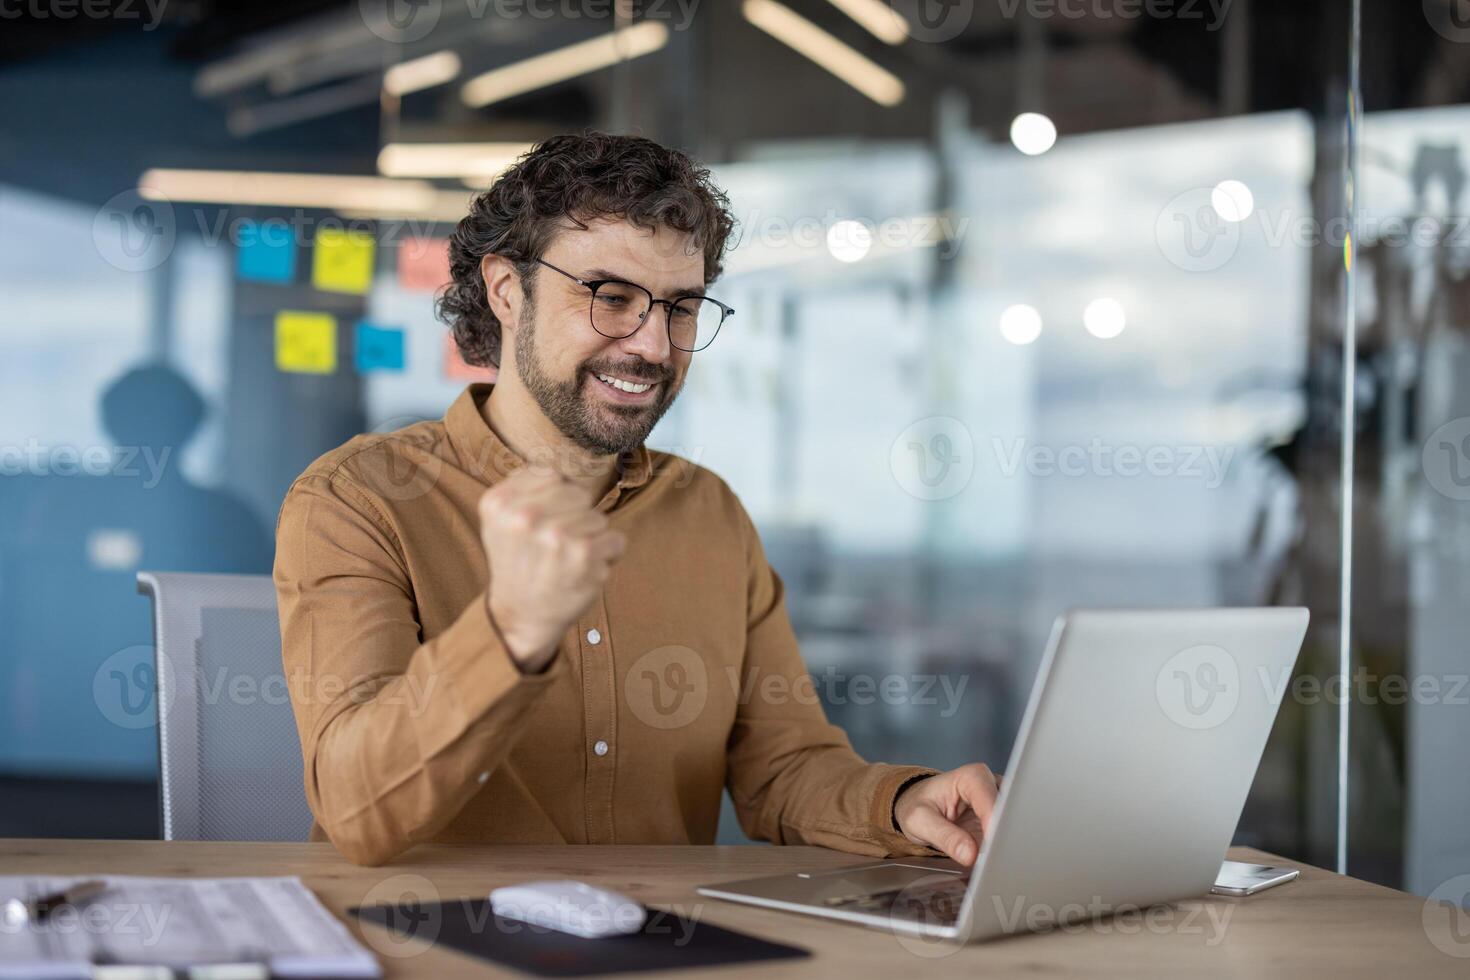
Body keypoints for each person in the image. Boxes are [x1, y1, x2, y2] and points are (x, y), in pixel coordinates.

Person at [274, 132, 998, 867]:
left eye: (680, 308)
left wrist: (899, 806)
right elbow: (357, 808)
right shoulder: (359, 501)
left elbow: (783, 767)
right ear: (506, 291)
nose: (653, 346)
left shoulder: (708, 513)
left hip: (660, 946)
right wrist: (509, 632)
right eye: (611, 298)